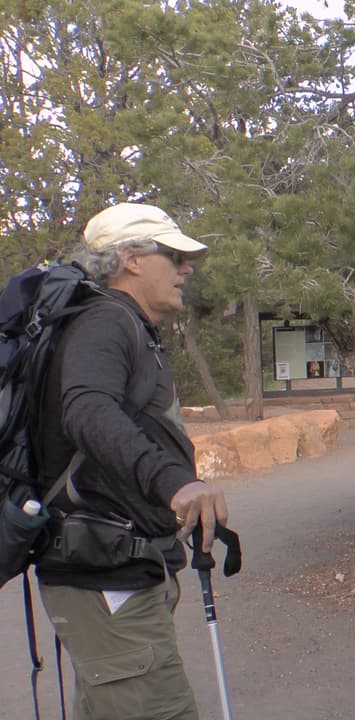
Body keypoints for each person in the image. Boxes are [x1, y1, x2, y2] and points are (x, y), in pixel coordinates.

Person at [34, 202, 229, 719]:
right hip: (105, 575)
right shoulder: (105, 322)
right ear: (131, 259)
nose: (186, 268)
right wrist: (173, 483)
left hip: (119, 568)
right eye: (173, 255)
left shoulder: (124, 324)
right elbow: (88, 408)